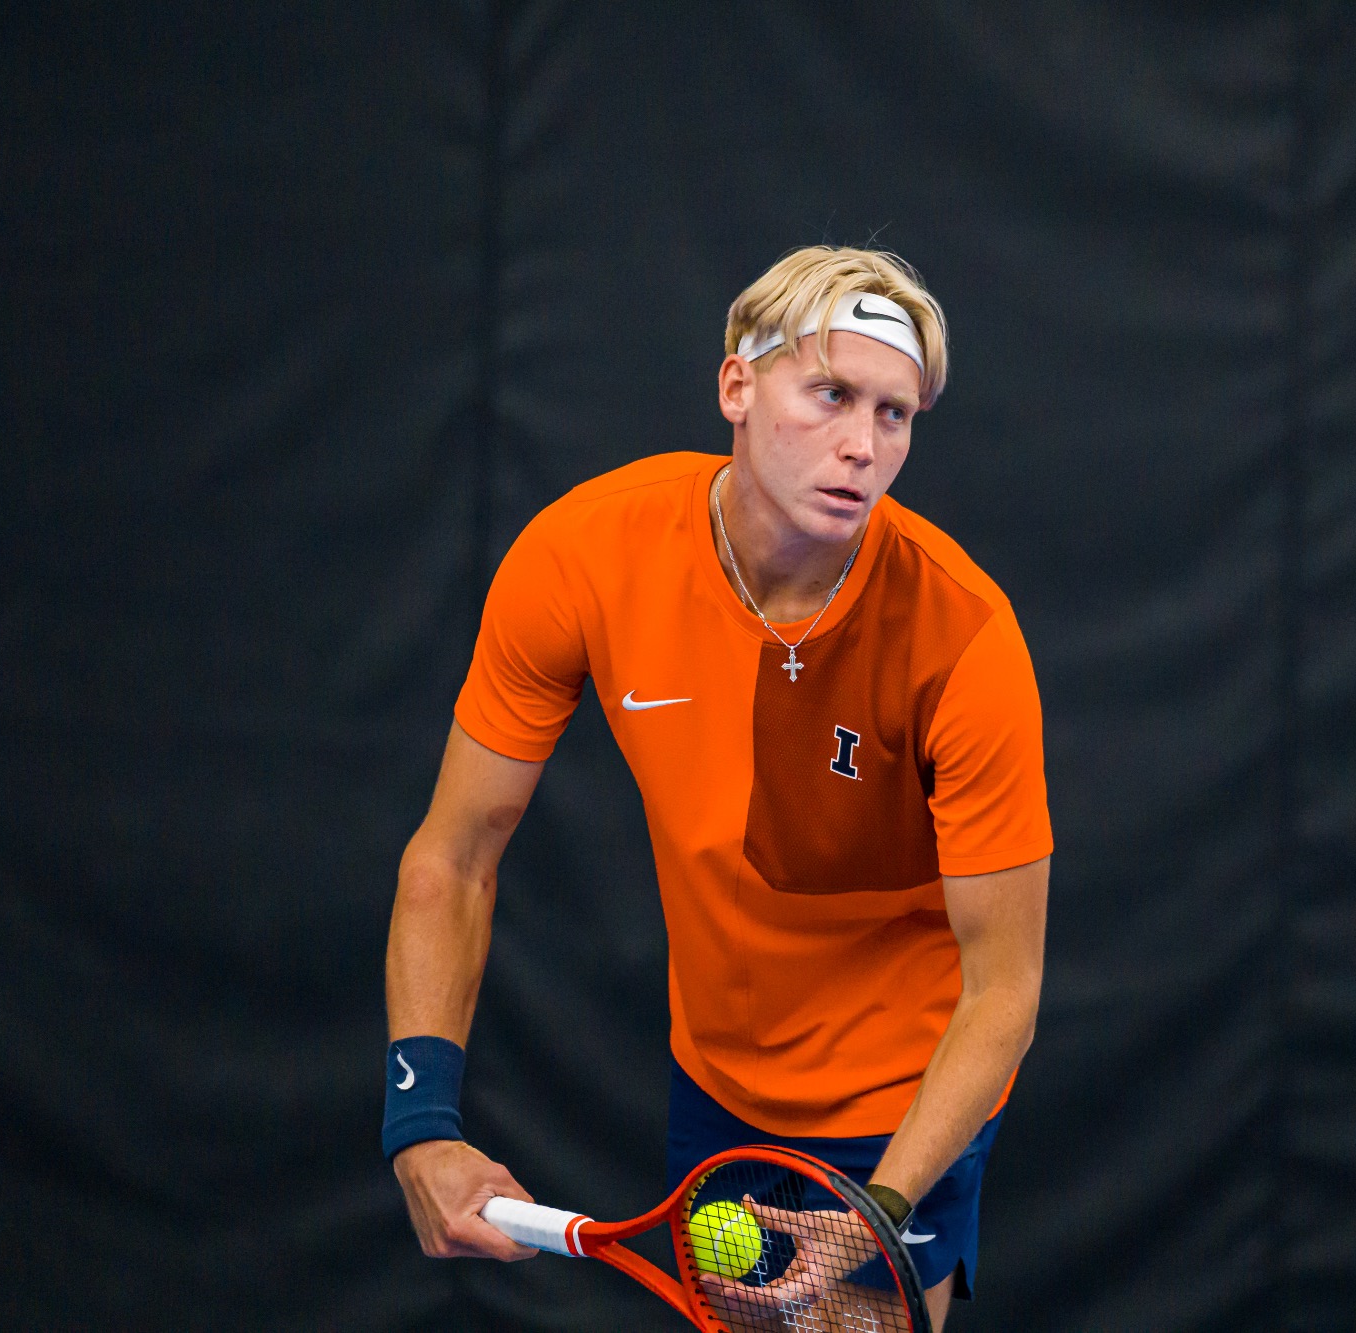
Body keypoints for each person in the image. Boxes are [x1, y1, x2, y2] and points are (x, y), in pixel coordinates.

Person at [382, 245, 1051, 1329]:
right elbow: (453, 855)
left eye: (894, 415)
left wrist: (880, 1204)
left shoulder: (963, 637)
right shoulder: (583, 555)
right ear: (737, 386)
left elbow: (1004, 991)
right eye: (829, 393)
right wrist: (422, 1120)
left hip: (903, 1103)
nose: (860, 446)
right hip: (717, 1089)